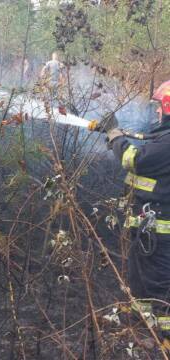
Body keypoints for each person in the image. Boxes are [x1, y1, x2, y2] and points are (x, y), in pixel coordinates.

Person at [105, 80, 170, 348]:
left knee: (157, 285)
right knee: (143, 280)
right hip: (150, 229)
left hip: (159, 231)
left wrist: (115, 137)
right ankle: (146, 329)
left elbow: (136, 159)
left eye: (159, 107)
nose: (156, 112)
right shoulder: (163, 140)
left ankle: (163, 337)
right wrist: (117, 135)